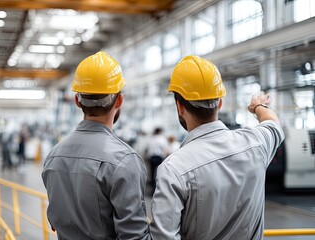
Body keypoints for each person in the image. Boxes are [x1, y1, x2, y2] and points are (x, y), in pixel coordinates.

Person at [150, 55, 284, 239]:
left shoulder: (173, 170)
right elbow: (273, 123)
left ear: (180, 107)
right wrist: (257, 106)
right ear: (219, 103)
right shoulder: (256, 143)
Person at [42, 52, 151, 240]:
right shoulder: (124, 160)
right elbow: (134, 236)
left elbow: (55, 220)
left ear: (77, 101)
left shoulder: (54, 155)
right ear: (119, 100)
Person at [146, 127, 169, 194]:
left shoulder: (151, 139)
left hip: (152, 157)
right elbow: (165, 149)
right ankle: (158, 189)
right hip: (159, 157)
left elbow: (147, 148)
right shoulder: (162, 139)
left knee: (152, 173)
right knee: (159, 173)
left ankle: (152, 189)